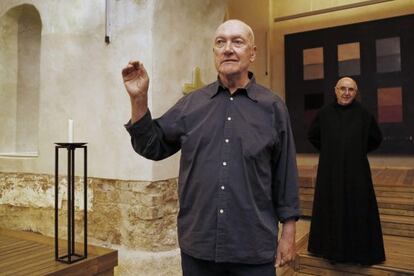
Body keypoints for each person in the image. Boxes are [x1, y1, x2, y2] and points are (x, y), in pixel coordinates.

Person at [122, 19, 300, 276]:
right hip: (199, 246)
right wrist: (139, 100)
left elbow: (285, 176)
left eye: (237, 42)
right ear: (214, 53)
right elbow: (151, 145)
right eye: (220, 42)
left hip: (253, 247)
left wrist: (289, 234)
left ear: (253, 53)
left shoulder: (273, 107)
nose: (228, 48)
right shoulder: (191, 105)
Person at [307, 77, 385, 265]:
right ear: (335, 90)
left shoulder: (364, 114)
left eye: (350, 89)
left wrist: (356, 150)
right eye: (342, 88)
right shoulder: (324, 113)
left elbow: (376, 138)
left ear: (355, 92)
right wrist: (330, 151)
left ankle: (358, 253)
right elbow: (313, 136)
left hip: (356, 171)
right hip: (329, 171)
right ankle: (330, 251)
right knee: (331, 207)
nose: (346, 93)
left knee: (357, 208)